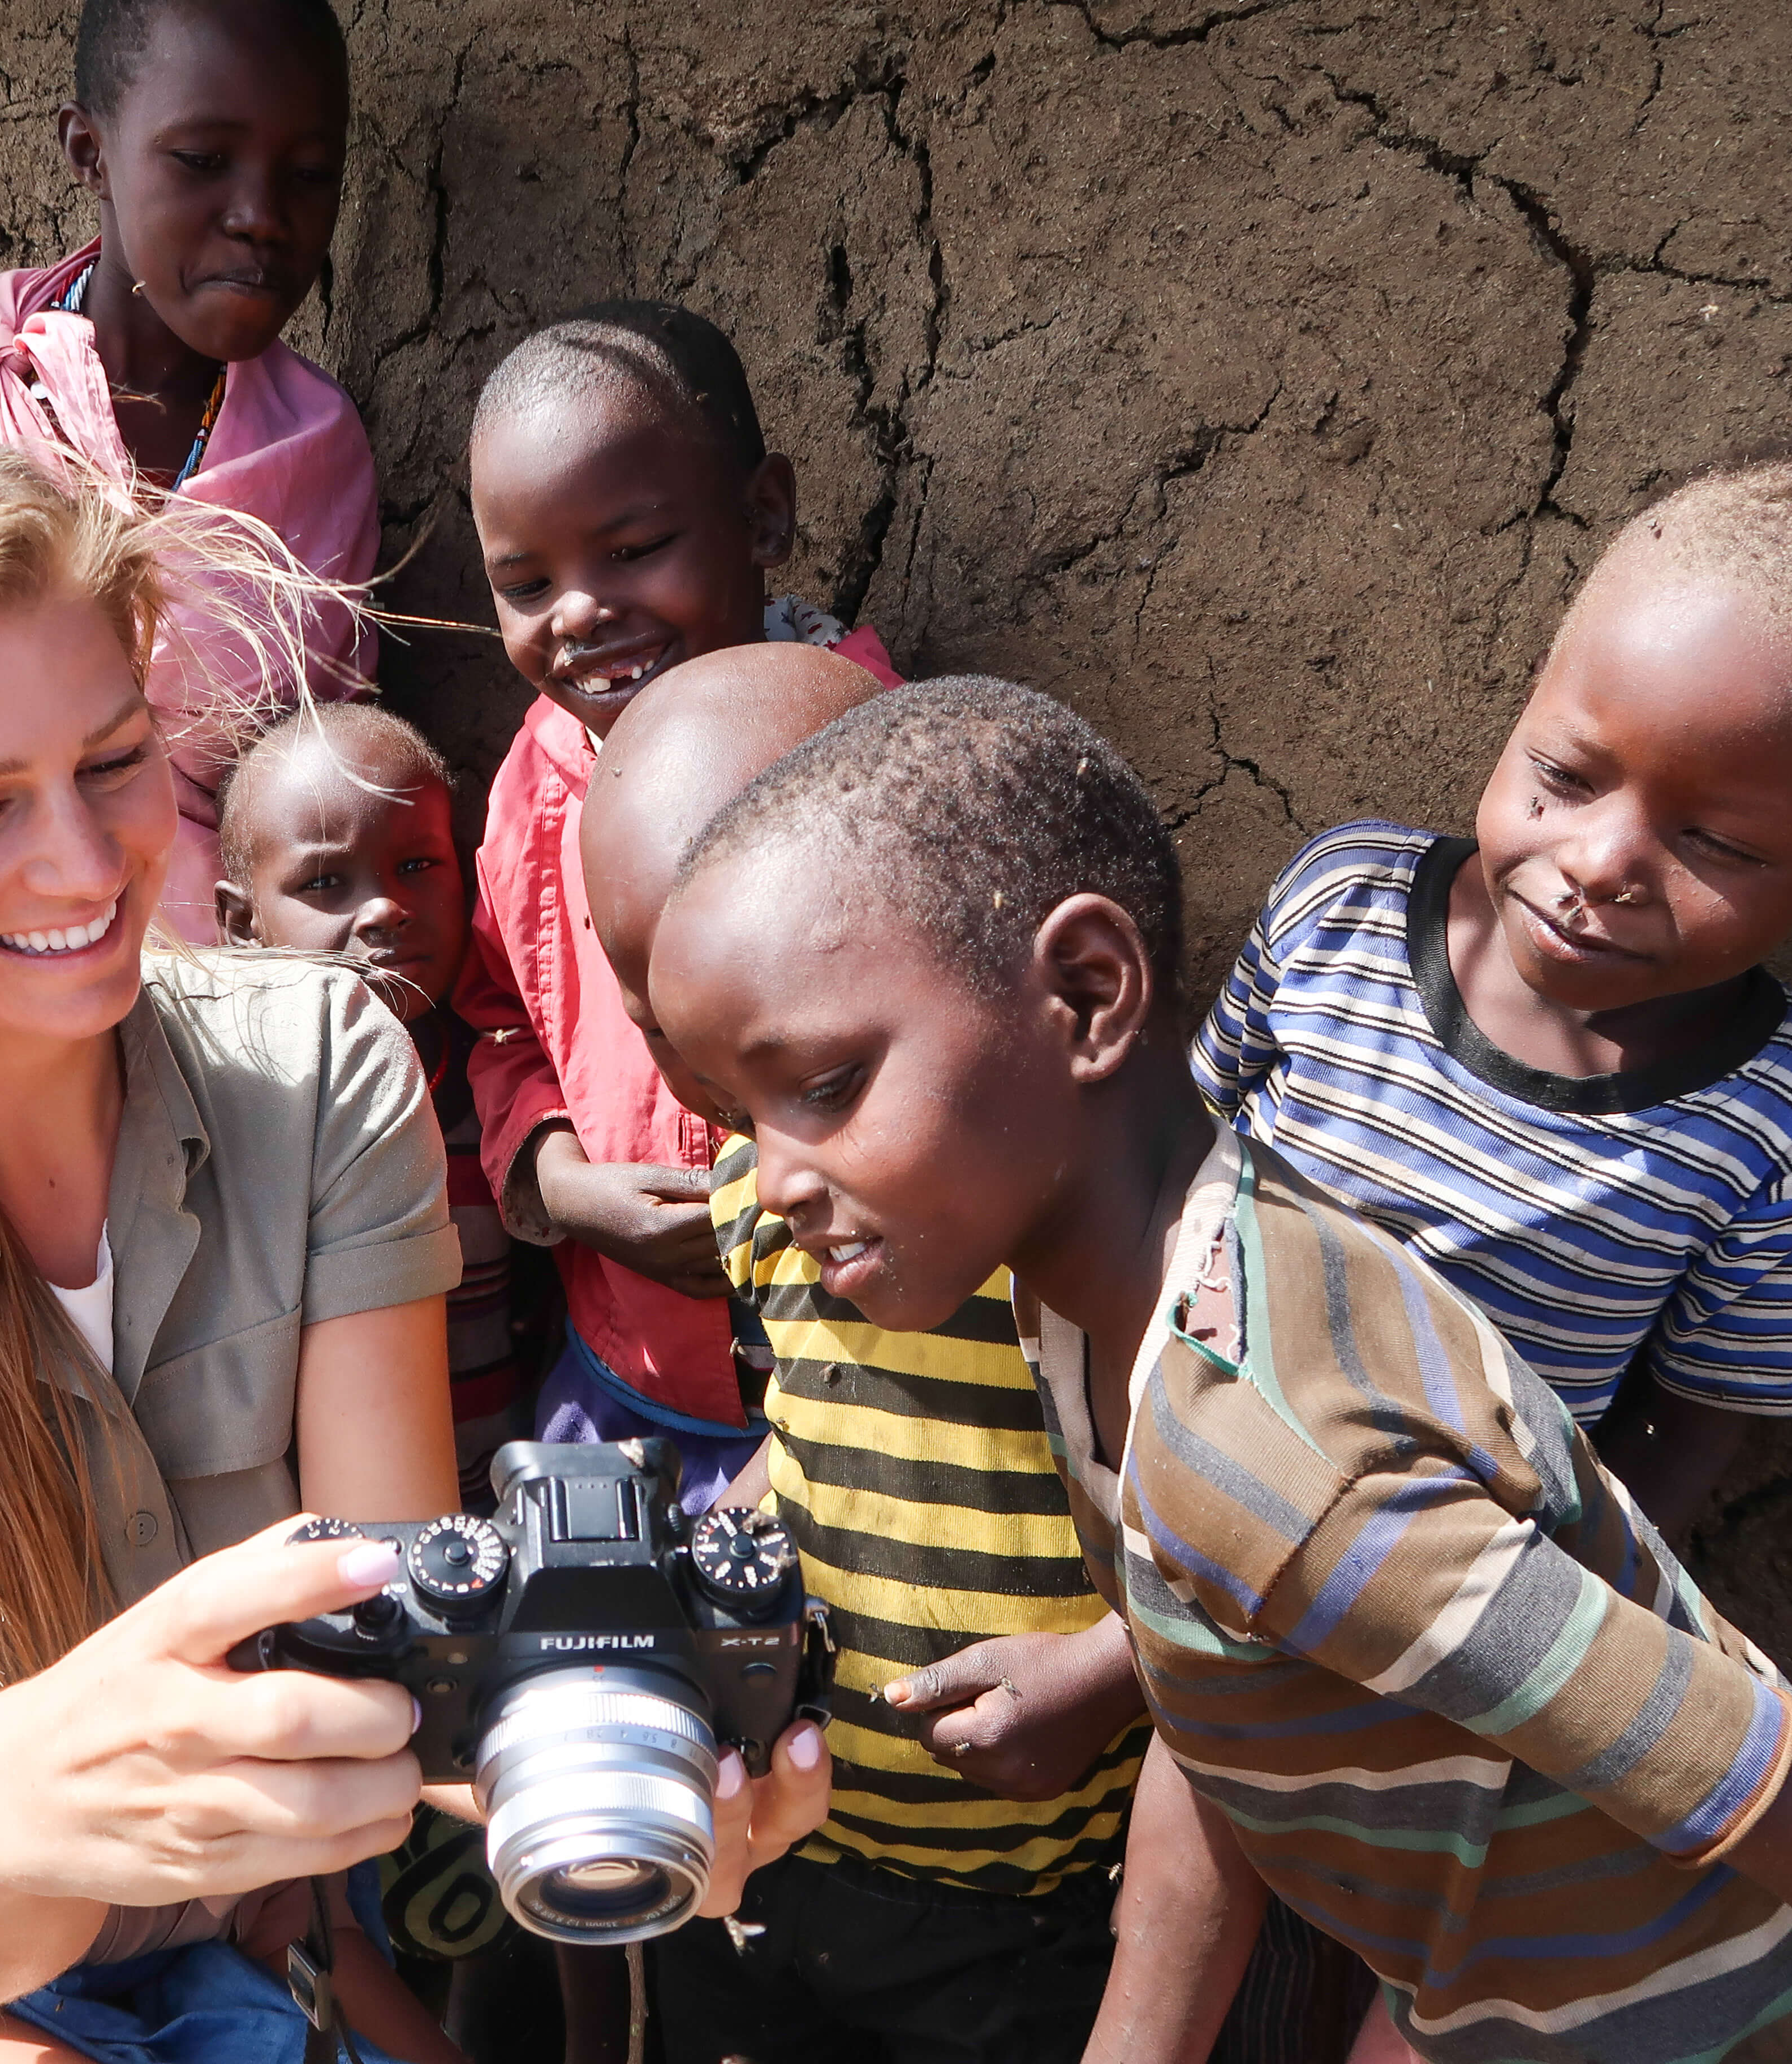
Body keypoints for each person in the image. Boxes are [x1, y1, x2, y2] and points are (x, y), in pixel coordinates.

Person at [0, 402, 834, 2064]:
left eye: (110, 764)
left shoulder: (316, 1075)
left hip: (257, 1908)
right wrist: (16, 1808)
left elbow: (385, 1661)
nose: (86, 864)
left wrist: (616, 1754)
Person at [652, 677, 1792, 2064]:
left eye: (824, 1087)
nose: (774, 1183)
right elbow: (1224, 1723)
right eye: (738, 1116)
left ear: (1087, 995)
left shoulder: (1273, 1466)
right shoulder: (1140, 1293)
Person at [1193, 444, 1792, 1533]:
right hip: (1143, 1419)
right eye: (1564, 776)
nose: (1597, 863)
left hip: (1413, 1572)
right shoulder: (1342, 903)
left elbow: (1694, 1425)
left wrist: (1582, 1611)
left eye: (1715, 842)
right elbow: (1174, 1143)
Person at [575, 646, 1149, 2064]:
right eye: (682, 1053)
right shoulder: (770, 1198)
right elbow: (802, 1422)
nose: (764, 1156)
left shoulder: (1102, 1273)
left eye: (816, 1080)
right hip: (785, 1856)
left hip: (1018, 1910)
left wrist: (1122, 1668)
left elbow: (1265, 1566)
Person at [455, 299, 902, 1517]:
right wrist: (555, 1181)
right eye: (526, 581)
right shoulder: (536, 778)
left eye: (633, 548)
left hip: (858, 1397)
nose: (580, 611)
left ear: (762, 516)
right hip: (626, 1382)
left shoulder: (879, 768)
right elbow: (500, 1014)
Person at [0, 0, 378, 944]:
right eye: (203, 162)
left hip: (224, 996)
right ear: (89, 151)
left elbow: (322, 790)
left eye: (308, 175)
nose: (260, 217)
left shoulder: (317, 450)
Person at [213, 703, 528, 1506]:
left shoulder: (498, 1083)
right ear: (240, 925)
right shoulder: (239, 1124)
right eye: (325, 882)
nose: (385, 909)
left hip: (508, 1496)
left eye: (419, 867)